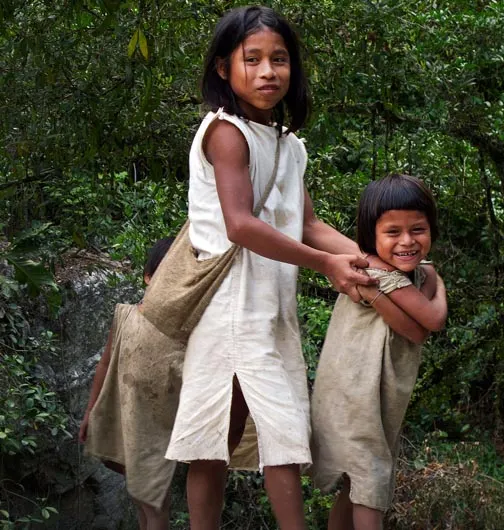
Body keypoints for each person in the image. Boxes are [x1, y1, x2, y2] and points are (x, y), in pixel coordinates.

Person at [162, 6, 375, 530]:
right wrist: (327, 264)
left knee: (222, 432)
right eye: (251, 59)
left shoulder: (288, 146)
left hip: (269, 309)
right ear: (222, 68)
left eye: (278, 59)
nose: (267, 72)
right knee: (272, 432)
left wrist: (373, 263)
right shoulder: (225, 133)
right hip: (229, 308)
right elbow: (240, 225)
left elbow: (307, 223)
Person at [310, 174, 448, 530]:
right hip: (356, 398)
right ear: (370, 236)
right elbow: (429, 322)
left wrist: (429, 276)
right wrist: (440, 282)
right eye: (392, 232)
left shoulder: (410, 275)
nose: (407, 241)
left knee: (354, 483)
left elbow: (416, 327)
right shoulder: (376, 273)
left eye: (418, 229)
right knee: (370, 480)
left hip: (368, 397)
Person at [80, 237, 181, 530]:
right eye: (163, 274)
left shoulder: (184, 328)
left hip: (158, 429)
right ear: (148, 277)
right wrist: (90, 411)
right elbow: (105, 362)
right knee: (140, 498)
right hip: (125, 419)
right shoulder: (124, 316)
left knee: (155, 503)